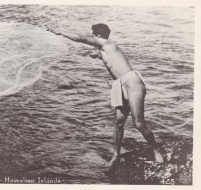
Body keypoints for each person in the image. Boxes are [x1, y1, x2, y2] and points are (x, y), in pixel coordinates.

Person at [47, 23, 164, 166]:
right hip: (119, 85)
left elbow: (79, 38)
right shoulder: (105, 49)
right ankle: (116, 155)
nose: (90, 37)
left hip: (132, 82)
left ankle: (156, 150)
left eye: (92, 35)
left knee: (138, 123)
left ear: (99, 36)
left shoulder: (107, 44)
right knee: (118, 124)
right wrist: (95, 55)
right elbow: (104, 57)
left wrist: (60, 32)